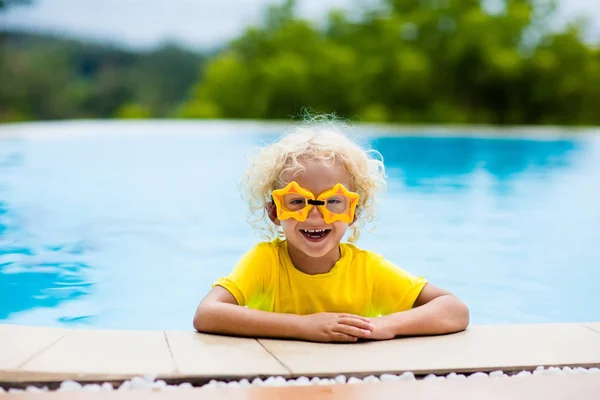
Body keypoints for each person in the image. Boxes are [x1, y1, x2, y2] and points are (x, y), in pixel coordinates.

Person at [193, 117, 469, 343]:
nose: (315, 215)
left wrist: (386, 325)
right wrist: (304, 327)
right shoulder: (266, 262)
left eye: (333, 202)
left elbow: (454, 310)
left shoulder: (366, 270)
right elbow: (207, 313)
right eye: (297, 201)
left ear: (353, 213)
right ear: (275, 212)